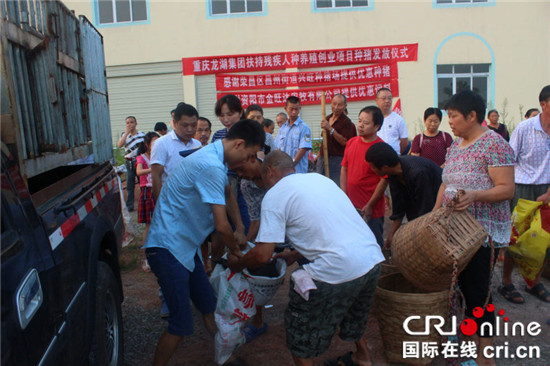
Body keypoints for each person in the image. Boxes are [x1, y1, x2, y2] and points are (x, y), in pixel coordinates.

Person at [227, 150, 384, 366]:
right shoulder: (321, 180)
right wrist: (294, 253)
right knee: (352, 308)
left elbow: (262, 255)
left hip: (337, 269)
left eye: (262, 178)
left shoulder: (274, 195)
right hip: (371, 260)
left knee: (298, 332)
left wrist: (238, 263)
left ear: (270, 171)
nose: (263, 184)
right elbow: (330, 228)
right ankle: (363, 357)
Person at [143, 119, 265, 366]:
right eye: (249, 155)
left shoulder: (213, 157)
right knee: (180, 324)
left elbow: (228, 193)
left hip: (185, 248)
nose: (247, 161)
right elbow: (221, 226)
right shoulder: (210, 165)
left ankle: (224, 358)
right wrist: (235, 252)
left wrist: (240, 227)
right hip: (168, 248)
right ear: (239, 144)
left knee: (208, 305)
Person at [433, 90, 515, 366]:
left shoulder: (494, 144)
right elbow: (446, 183)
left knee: (479, 293)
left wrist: (475, 195)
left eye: (453, 116)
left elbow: (506, 189)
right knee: (460, 289)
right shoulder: (455, 145)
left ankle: (486, 356)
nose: (450, 122)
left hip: (481, 234)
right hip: (454, 230)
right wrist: (433, 216)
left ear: (472, 116)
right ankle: (469, 347)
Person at [500, 85, 550, 304]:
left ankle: (534, 282)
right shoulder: (524, 128)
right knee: (516, 238)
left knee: (544, 240)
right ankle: (507, 283)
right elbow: (509, 160)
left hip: (547, 189)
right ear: (543, 104)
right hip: (523, 187)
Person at [366, 142, 443, 248]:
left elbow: (426, 210)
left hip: (439, 215)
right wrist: (392, 235)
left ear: (384, 167)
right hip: (422, 217)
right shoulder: (393, 173)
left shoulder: (418, 172)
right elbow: (399, 207)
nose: (371, 170)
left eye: (372, 167)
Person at [341, 106, 387, 248]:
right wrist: (343, 194)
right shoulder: (351, 142)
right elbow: (344, 168)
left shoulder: (381, 148)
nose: (360, 125)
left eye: (366, 123)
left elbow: (384, 179)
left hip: (371, 209)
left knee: (373, 243)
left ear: (377, 126)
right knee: (353, 242)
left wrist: (371, 204)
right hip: (351, 205)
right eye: (359, 121)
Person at [151, 103, 201, 199]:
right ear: (175, 123)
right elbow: (156, 176)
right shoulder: (161, 144)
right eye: (185, 125)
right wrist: (160, 205)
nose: (190, 129)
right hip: (172, 199)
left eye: (194, 125)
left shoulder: (197, 144)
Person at [315, 94, 357, 185]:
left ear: (345, 106)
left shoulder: (347, 122)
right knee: (320, 184)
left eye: (339, 105)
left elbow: (344, 142)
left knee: (335, 185)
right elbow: (324, 140)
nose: (336, 107)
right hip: (323, 159)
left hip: (337, 160)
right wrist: (318, 156)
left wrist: (330, 129)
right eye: (334, 104)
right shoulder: (327, 118)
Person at [135, 132, 160, 272]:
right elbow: (138, 172)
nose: (157, 146)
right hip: (148, 192)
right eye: (154, 143)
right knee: (149, 226)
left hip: (159, 190)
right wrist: (153, 169)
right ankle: (146, 258)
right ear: (147, 144)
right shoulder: (142, 157)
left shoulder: (158, 155)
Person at [274, 96, 312, 173]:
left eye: (296, 109)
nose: (294, 112)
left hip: (298, 171)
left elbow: (303, 149)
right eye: (291, 109)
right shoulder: (282, 128)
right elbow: (278, 148)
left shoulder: (304, 128)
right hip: (283, 171)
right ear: (285, 108)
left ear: (300, 108)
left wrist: (291, 164)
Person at [117, 116, 145, 211]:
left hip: (139, 161)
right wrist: (126, 133)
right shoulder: (124, 135)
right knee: (130, 184)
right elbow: (120, 145)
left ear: (136, 123)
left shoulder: (142, 135)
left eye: (131, 122)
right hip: (129, 161)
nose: (130, 124)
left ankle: (143, 204)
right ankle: (129, 206)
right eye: (127, 123)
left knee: (142, 183)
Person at [375, 88, 409, 155]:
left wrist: (396, 153)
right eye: (384, 98)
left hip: (393, 158)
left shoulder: (398, 119)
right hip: (375, 157)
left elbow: (404, 141)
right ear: (377, 101)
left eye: (389, 98)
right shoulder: (372, 117)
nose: (387, 101)